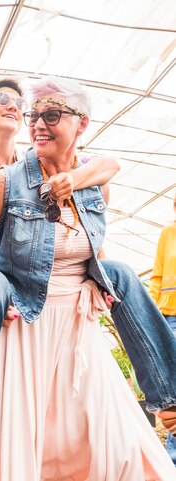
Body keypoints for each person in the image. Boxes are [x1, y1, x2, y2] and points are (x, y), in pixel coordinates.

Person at [0, 77, 176, 480]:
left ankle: (168, 398)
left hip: (75, 329)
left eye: (52, 115)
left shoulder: (95, 187)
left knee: (110, 446)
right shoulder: (7, 181)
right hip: (25, 325)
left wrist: (94, 279)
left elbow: (103, 202)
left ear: (81, 125)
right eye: (34, 116)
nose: (38, 125)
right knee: (24, 450)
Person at [150, 189, 176, 464]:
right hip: (170, 317)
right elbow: (157, 276)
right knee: (174, 392)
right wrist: (153, 314)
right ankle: (173, 458)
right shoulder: (168, 234)